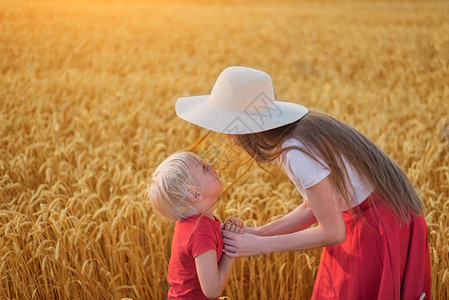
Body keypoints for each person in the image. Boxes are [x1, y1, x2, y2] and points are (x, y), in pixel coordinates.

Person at [175, 66, 431, 299]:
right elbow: (313, 207)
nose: (230, 138)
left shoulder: (295, 151)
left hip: (377, 226)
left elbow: (333, 232)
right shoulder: (297, 135)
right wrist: (260, 232)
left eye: (229, 128)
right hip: (375, 218)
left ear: (246, 129)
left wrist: (260, 246)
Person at [147, 151, 243, 300]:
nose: (212, 165)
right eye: (204, 168)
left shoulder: (193, 224)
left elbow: (208, 243)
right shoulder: (200, 231)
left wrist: (226, 232)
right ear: (195, 195)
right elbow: (212, 290)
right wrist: (231, 251)